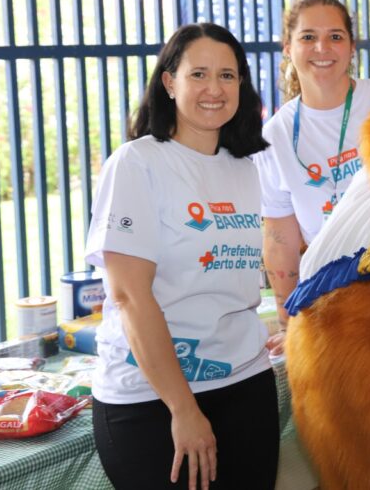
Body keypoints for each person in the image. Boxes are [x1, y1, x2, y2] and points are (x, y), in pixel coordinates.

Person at [86, 24, 278, 490]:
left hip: (244, 381)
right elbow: (130, 297)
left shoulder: (245, 169)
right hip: (151, 399)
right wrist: (183, 408)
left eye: (227, 76)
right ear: (170, 82)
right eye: (199, 74)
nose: (215, 89)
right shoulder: (137, 164)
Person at [252, 0, 370, 352]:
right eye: (308, 37)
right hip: (331, 300)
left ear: (352, 47)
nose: (322, 48)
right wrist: (288, 323)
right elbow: (280, 241)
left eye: (335, 36)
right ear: (288, 48)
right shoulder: (275, 136)